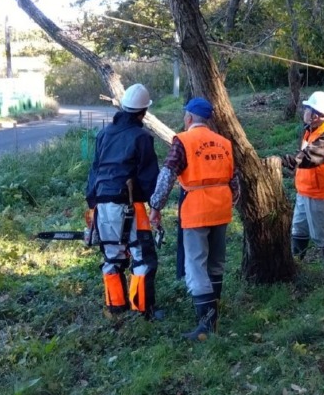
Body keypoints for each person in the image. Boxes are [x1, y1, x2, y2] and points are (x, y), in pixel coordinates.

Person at [149, 97, 239, 341]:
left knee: (195, 265)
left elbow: (167, 175)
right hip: (221, 210)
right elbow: (234, 180)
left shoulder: (183, 141)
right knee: (216, 262)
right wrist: (229, 202)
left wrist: (156, 207)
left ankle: (207, 324)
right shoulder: (224, 143)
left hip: (196, 211)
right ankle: (214, 312)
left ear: (189, 118)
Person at [85, 83, 163, 320]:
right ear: (143, 112)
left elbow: (95, 169)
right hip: (130, 204)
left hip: (102, 202)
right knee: (141, 257)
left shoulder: (104, 134)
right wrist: (155, 206)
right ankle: (142, 309)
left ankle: (116, 306)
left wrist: (91, 204)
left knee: (112, 256)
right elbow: (149, 176)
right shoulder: (142, 137)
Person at [281, 91, 324, 270]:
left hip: (321, 193)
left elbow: (309, 157)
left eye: (307, 108)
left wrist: (287, 161)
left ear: (315, 115)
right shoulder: (311, 130)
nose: (304, 111)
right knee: (298, 229)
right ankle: (297, 264)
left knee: (322, 234)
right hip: (305, 190)